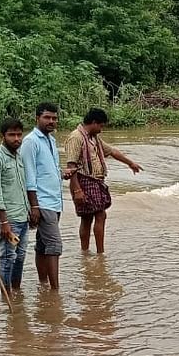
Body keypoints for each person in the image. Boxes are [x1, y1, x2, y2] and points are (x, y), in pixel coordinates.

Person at [65, 107, 143, 254]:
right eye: (101, 126)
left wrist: (130, 163)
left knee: (89, 217)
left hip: (96, 181)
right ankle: (99, 253)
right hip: (84, 180)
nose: (101, 129)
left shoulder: (93, 138)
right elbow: (71, 166)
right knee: (97, 215)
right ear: (94, 123)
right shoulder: (76, 137)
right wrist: (77, 190)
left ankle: (86, 252)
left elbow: (112, 151)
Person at [20, 102, 65, 290]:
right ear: (37, 118)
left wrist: (62, 174)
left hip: (55, 201)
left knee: (42, 245)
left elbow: (48, 170)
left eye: (54, 118)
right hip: (43, 202)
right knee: (54, 245)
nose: (51, 121)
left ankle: (43, 284)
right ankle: (55, 291)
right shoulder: (31, 141)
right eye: (47, 117)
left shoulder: (51, 140)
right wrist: (35, 206)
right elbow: (29, 175)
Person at [0, 117, 29, 296]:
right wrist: (4, 222)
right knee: (8, 258)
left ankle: (16, 294)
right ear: (2, 136)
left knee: (20, 257)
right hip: (8, 220)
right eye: (12, 135)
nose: (17, 139)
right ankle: (7, 296)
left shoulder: (18, 156)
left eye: (19, 135)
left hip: (23, 217)